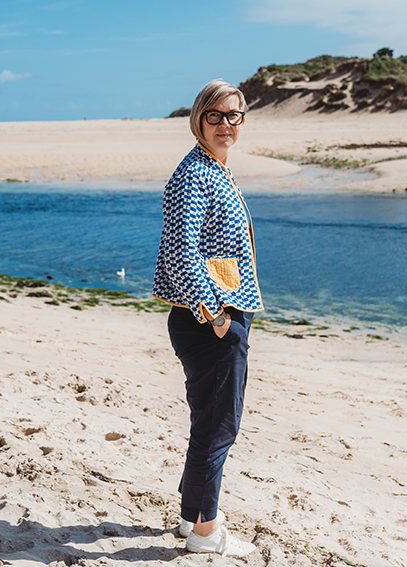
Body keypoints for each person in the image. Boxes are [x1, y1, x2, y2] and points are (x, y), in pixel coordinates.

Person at [152, 79, 263, 557]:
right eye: (214, 116)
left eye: (233, 115)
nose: (225, 124)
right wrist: (215, 314)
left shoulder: (214, 169)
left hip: (214, 315)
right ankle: (205, 532)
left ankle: (188, 518)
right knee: (220, 428)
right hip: (209, 321)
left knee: (209, 424)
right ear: (198, 119)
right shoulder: (195, 174)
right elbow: (182, 253)